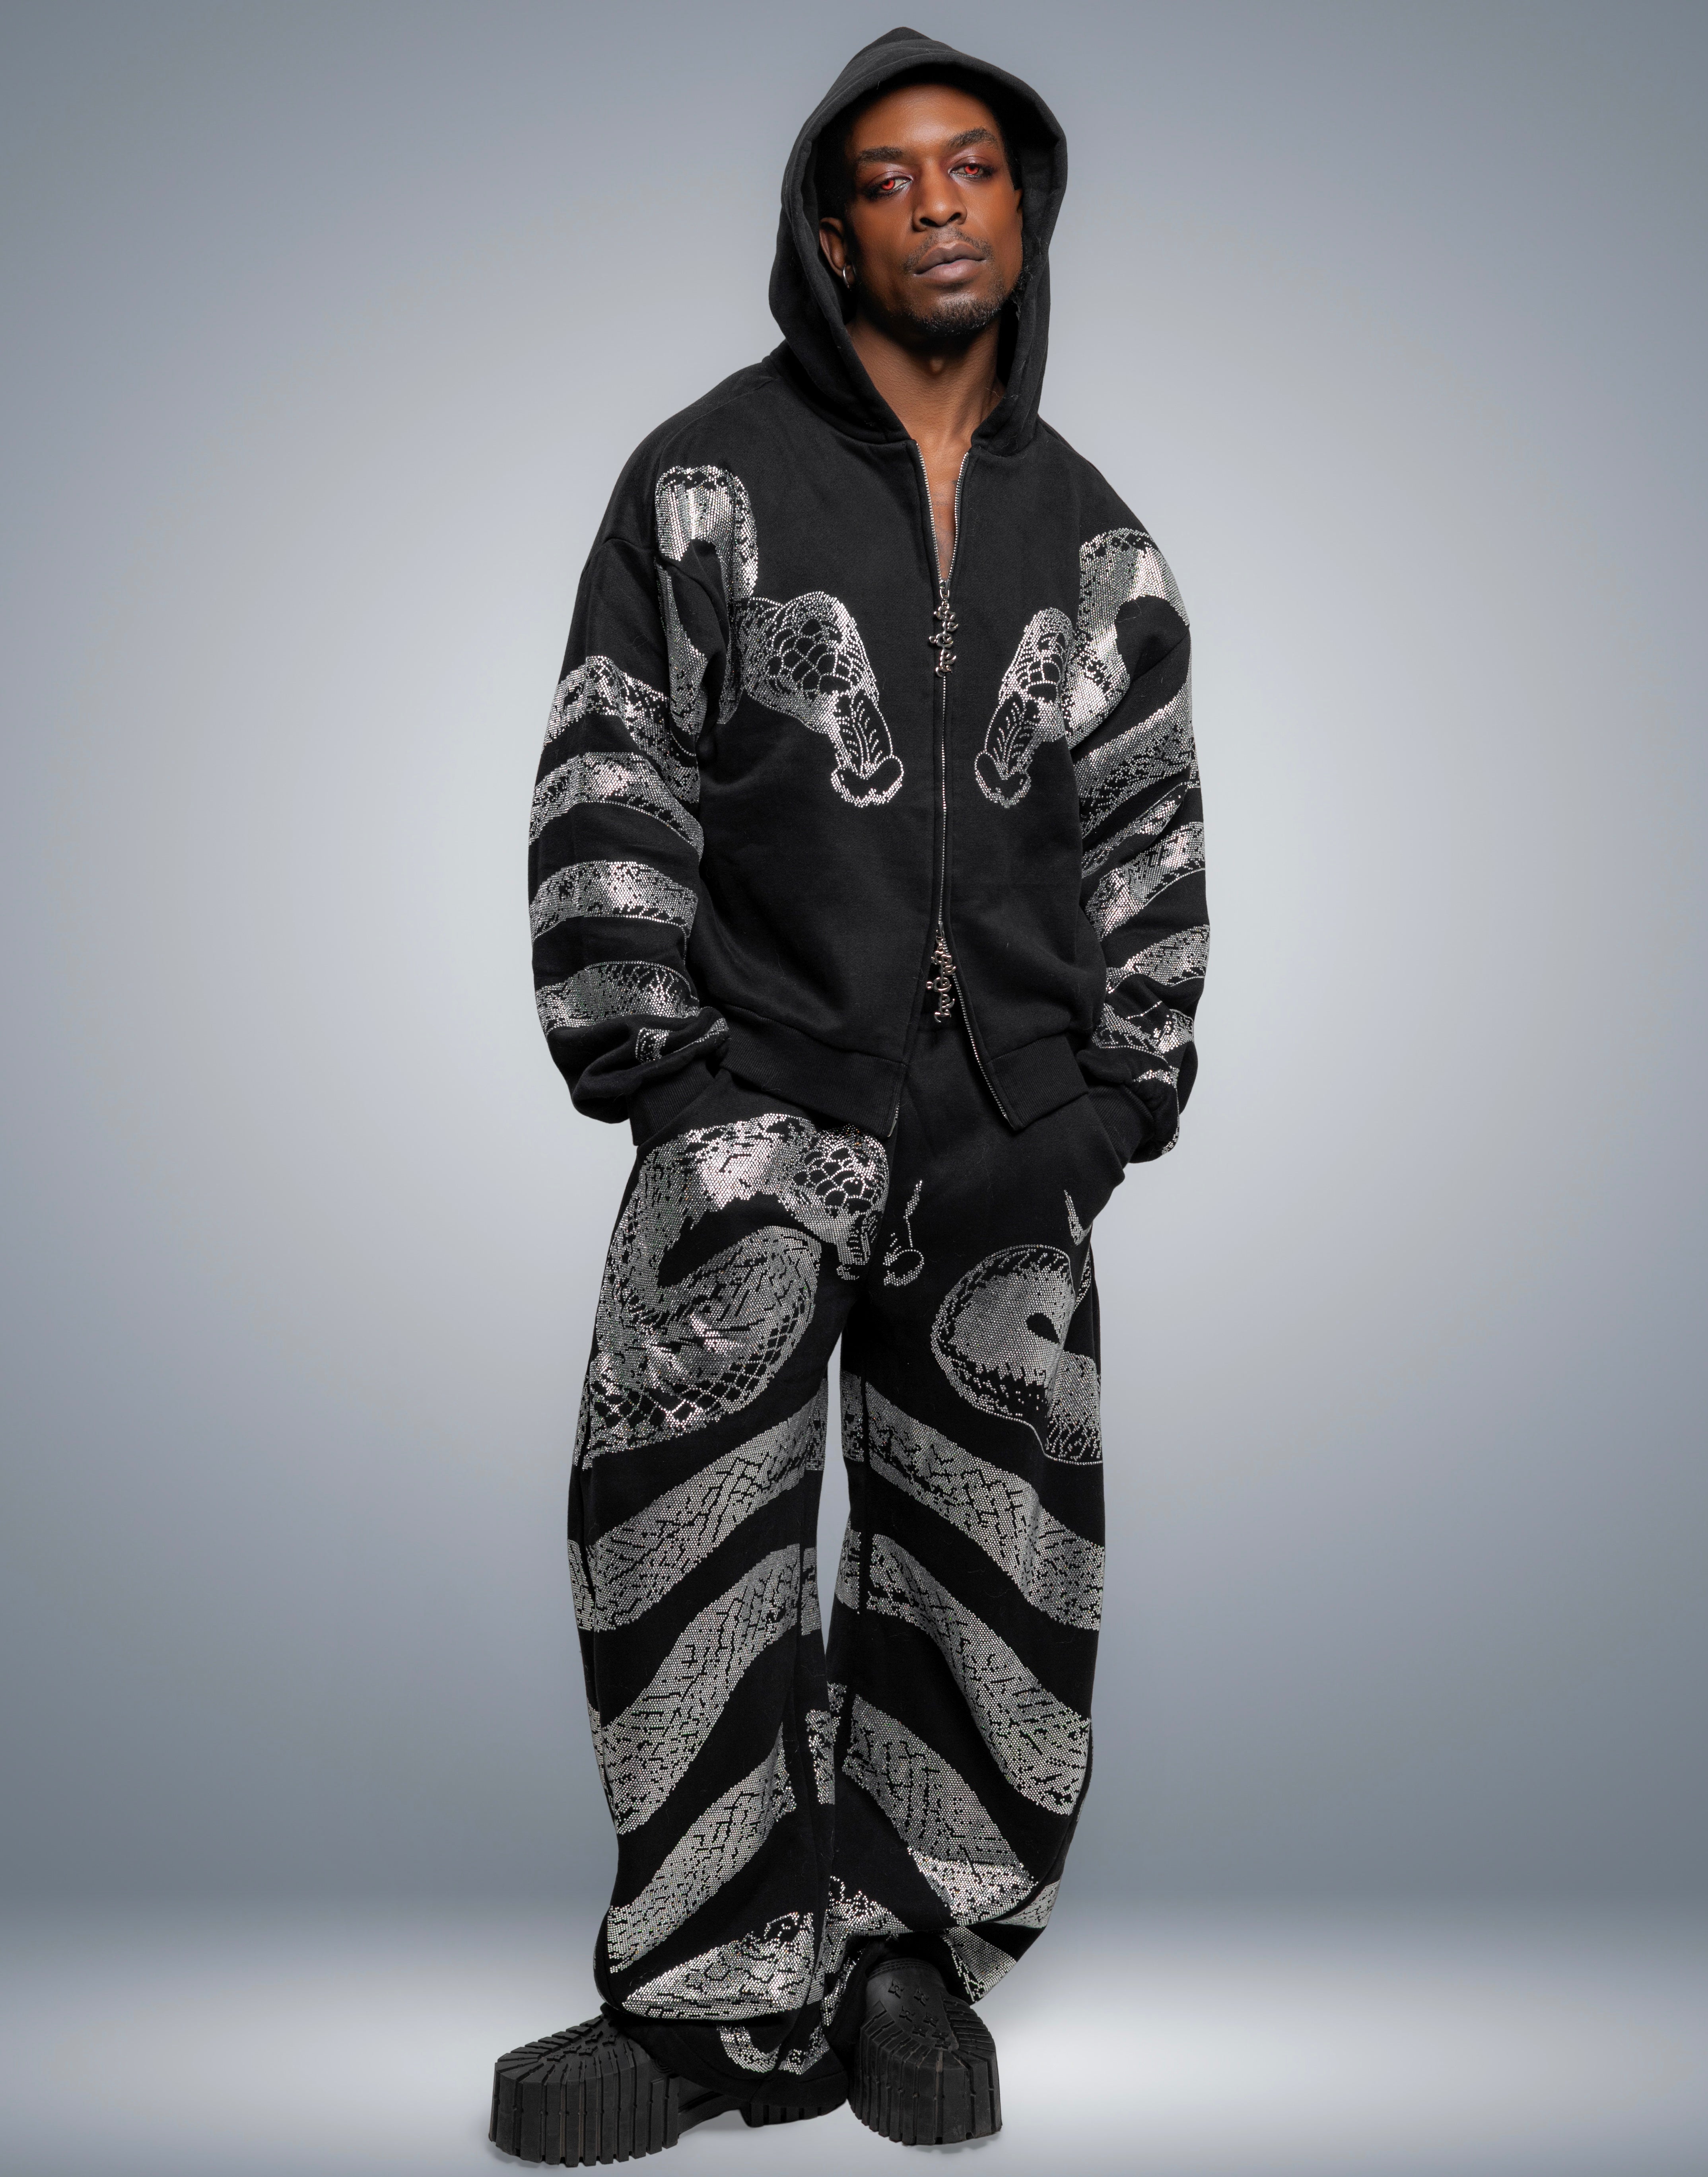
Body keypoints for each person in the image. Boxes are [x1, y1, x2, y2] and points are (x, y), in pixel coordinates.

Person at [491, 23, 1206, 2162]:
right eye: (889, 180)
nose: (937, 207)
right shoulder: (701, 484)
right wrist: (664, 1073)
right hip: (753, 1106)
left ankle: (911, 1951)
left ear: (1026, 206)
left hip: (1011, 1133)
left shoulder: (1099, 539)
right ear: (828, 234)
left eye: (971, 167)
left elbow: (1151, 830)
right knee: (682, 1539)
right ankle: (710, 1994)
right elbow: (611, 765)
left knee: (998, 1560)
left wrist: (1110, 1103)